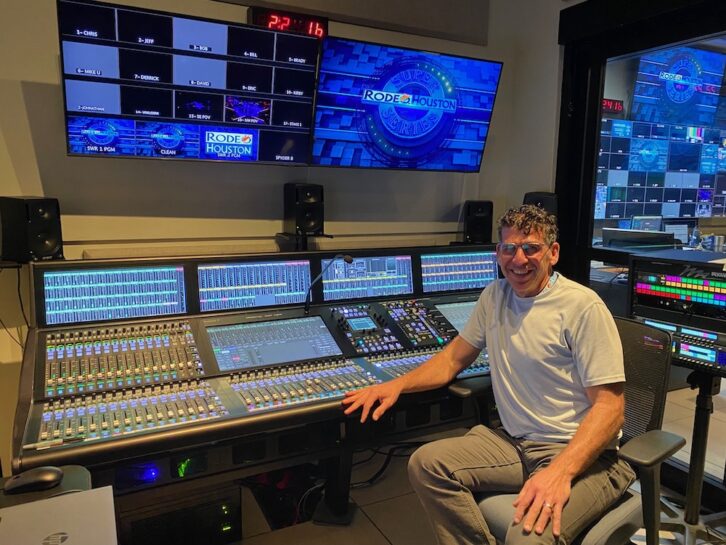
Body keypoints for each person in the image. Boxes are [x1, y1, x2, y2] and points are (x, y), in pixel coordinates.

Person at [342, 204, 635, 545]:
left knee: (527, 539)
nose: (519, 260)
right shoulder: (494, 296)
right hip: (513, 443)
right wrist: (397, 385)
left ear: (553, 253)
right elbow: (453, 359)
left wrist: (560, 472)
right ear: (497, 253)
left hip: (582, 454)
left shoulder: (582, 308)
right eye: (509, 249)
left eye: (531, 248)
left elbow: (610, 409)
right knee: (426, 464)